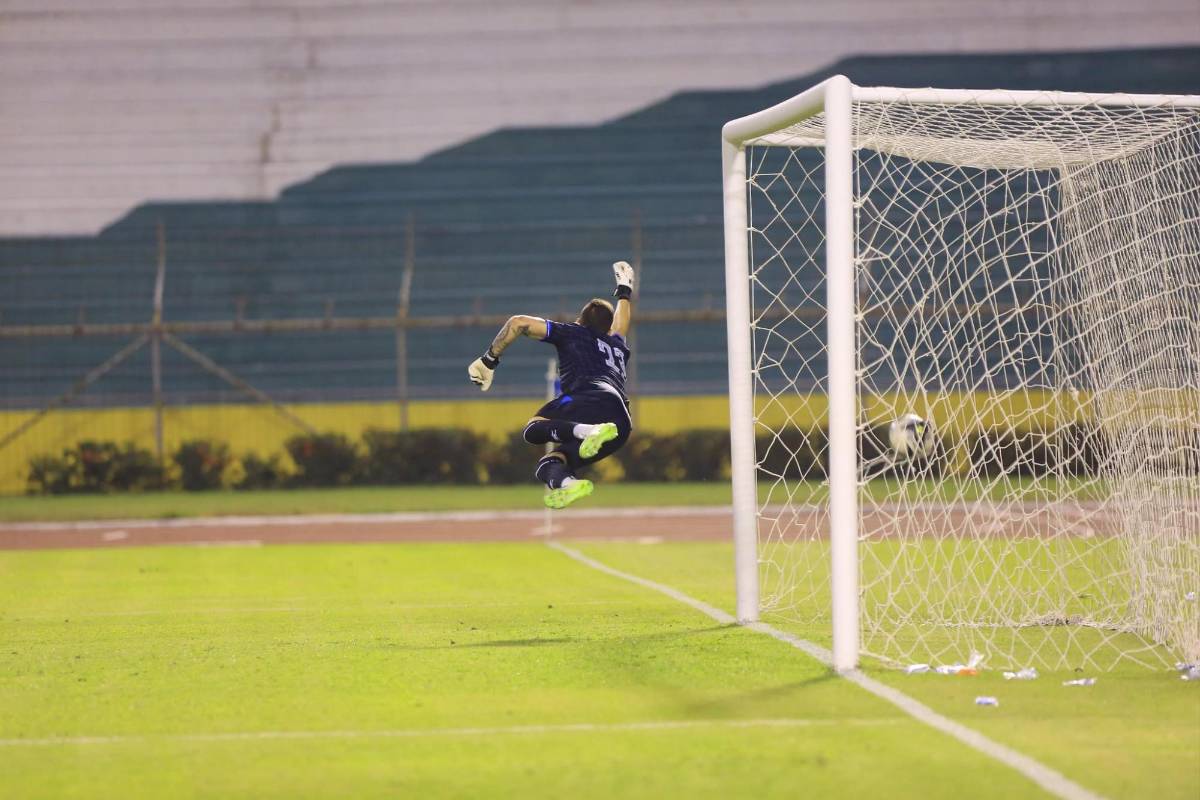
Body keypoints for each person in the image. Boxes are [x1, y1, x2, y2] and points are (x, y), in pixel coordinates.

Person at [468, 261, 635, 508]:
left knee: (533, 430)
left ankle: (587, 430)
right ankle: (569, 484)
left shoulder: (575, 332)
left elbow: (518, 323)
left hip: (588, 396)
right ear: (607, 328)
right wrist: (625, 291)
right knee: (550, 463)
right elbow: (621, 326)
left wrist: (489, 359)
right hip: (621, 421)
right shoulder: (617, 345)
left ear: (580, 321)